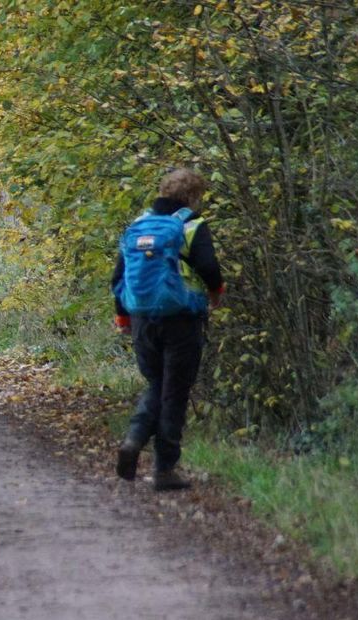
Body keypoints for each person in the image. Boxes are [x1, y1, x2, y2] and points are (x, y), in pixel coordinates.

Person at [111, 168, 224, 491]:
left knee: (157, 382)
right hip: (181, 318)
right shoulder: (191, 225)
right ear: (191, 196)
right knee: (174, 391)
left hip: (143, 319)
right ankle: (163, 470)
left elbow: (118, 277)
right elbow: (209, 267)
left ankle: (134, 438)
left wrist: (123, 318)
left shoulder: (137, 225)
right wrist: (216, 293)